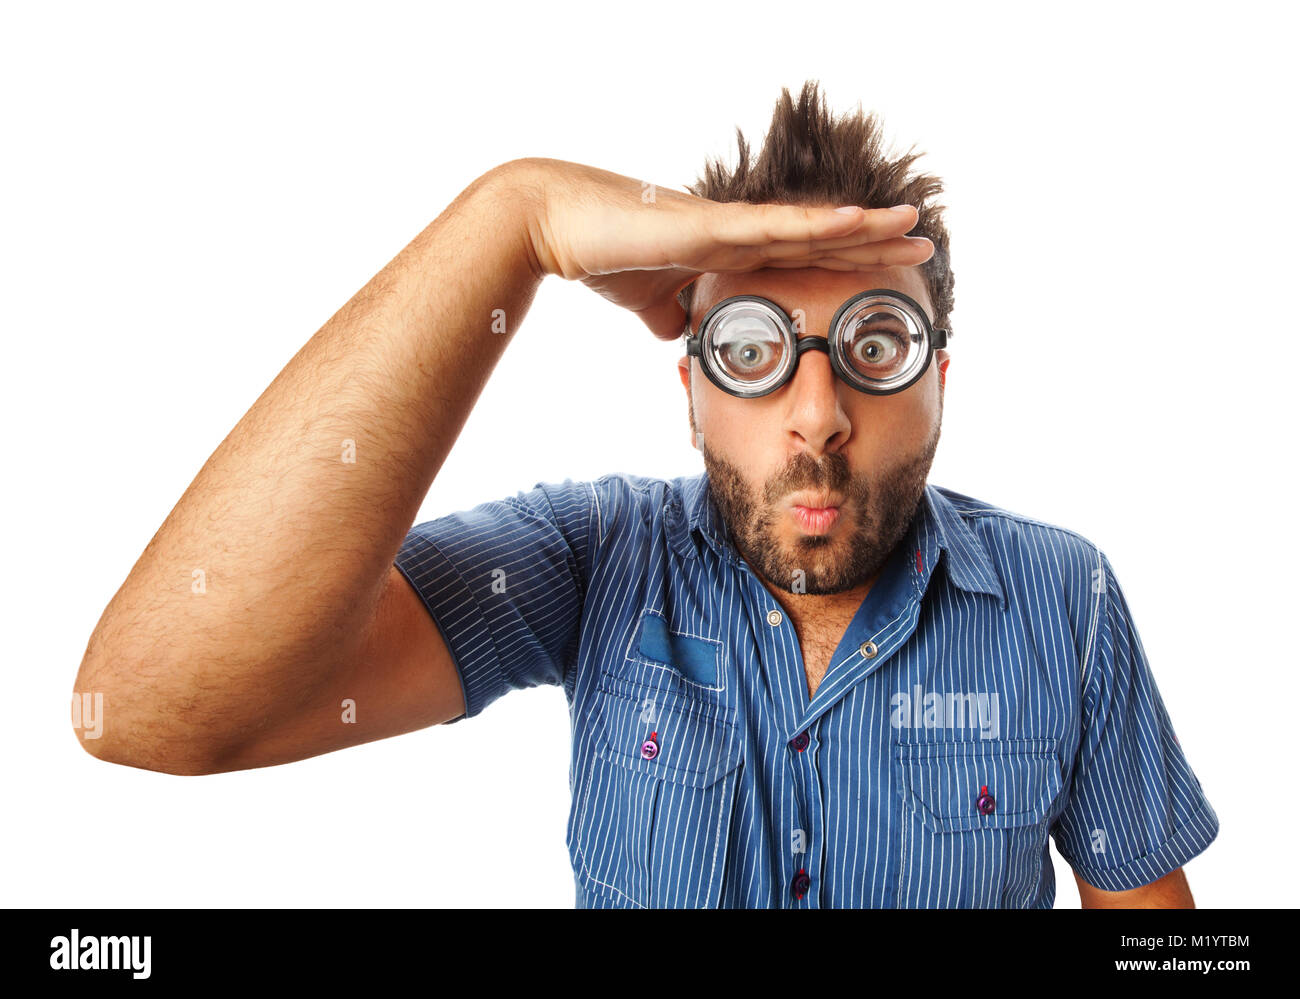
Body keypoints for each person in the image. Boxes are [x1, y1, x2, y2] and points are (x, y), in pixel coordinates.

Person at [74, 80, 1218, 908]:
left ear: (939, 381)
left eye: (875, 342)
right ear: (689, 385)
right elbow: (151, 709)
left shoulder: (1058, 598)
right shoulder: (592, 558)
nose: (816, 412)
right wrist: (509, 221)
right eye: (751, 347)